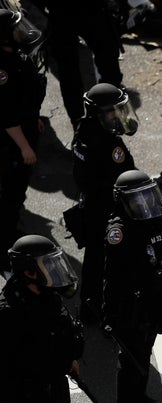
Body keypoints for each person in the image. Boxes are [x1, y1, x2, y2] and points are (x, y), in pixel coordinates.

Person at [103, 170, 162, 403]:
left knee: (142, 359)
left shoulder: (151, 223)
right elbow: (119, 276)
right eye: (139, 200)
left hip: (151, 304)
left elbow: (161, 262)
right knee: (131, 367)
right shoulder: (120, 233)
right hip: (130, 308)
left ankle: (140, 398)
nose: (146, 205)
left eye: (148, 197)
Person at [0, 235, 84, 403]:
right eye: (47, 264)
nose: (54, 269)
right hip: (27, 397)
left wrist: (69, 359)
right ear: (28, 271)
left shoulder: (48, 295)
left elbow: (58, 332)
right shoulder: (9, 311)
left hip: (54, 387)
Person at [72, 83, 138, 325]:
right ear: (99, 112)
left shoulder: (84, 128)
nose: (118, 115)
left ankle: (90, 307)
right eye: (113, 111)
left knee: (93, 260)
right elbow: (125, 176)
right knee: (105, 263)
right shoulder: (110, 145)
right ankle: (100, 311)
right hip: (106, 210)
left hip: (91, 205)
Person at [0, 9, 46, 274]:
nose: (20, 31)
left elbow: (24, 98)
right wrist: (24, 146)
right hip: (12, 143)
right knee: (10, 193)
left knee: (15, 195)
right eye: (14, 29)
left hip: (24, 129)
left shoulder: (13, 57)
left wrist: (34, 118)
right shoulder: (2, 67)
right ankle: (4, 250)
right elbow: (6, 115)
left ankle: (10, 228)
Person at [45, 0, 125, 127]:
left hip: (92, 8)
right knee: (68, 71)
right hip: (60, 11)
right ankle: (78, 123)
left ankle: (111, 108)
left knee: (109, 59)